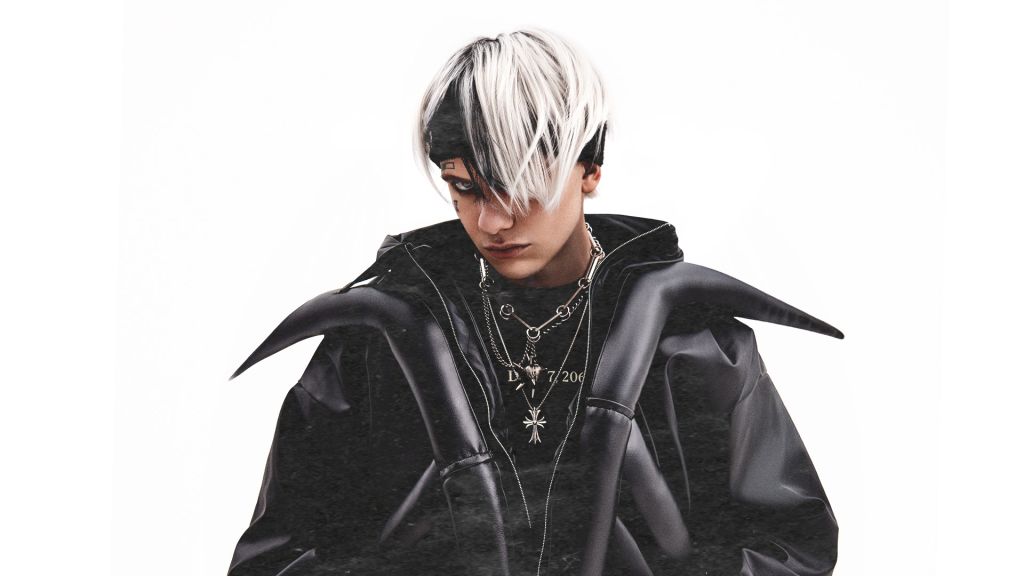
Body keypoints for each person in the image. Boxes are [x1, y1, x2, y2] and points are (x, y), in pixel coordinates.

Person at [227, 29, 842, 576]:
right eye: (465, 187)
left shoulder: (695, 344)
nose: (492, 221)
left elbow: (793, 548)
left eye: (520, 184)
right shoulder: (375, 345)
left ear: (589, 167)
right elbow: (275, 557)